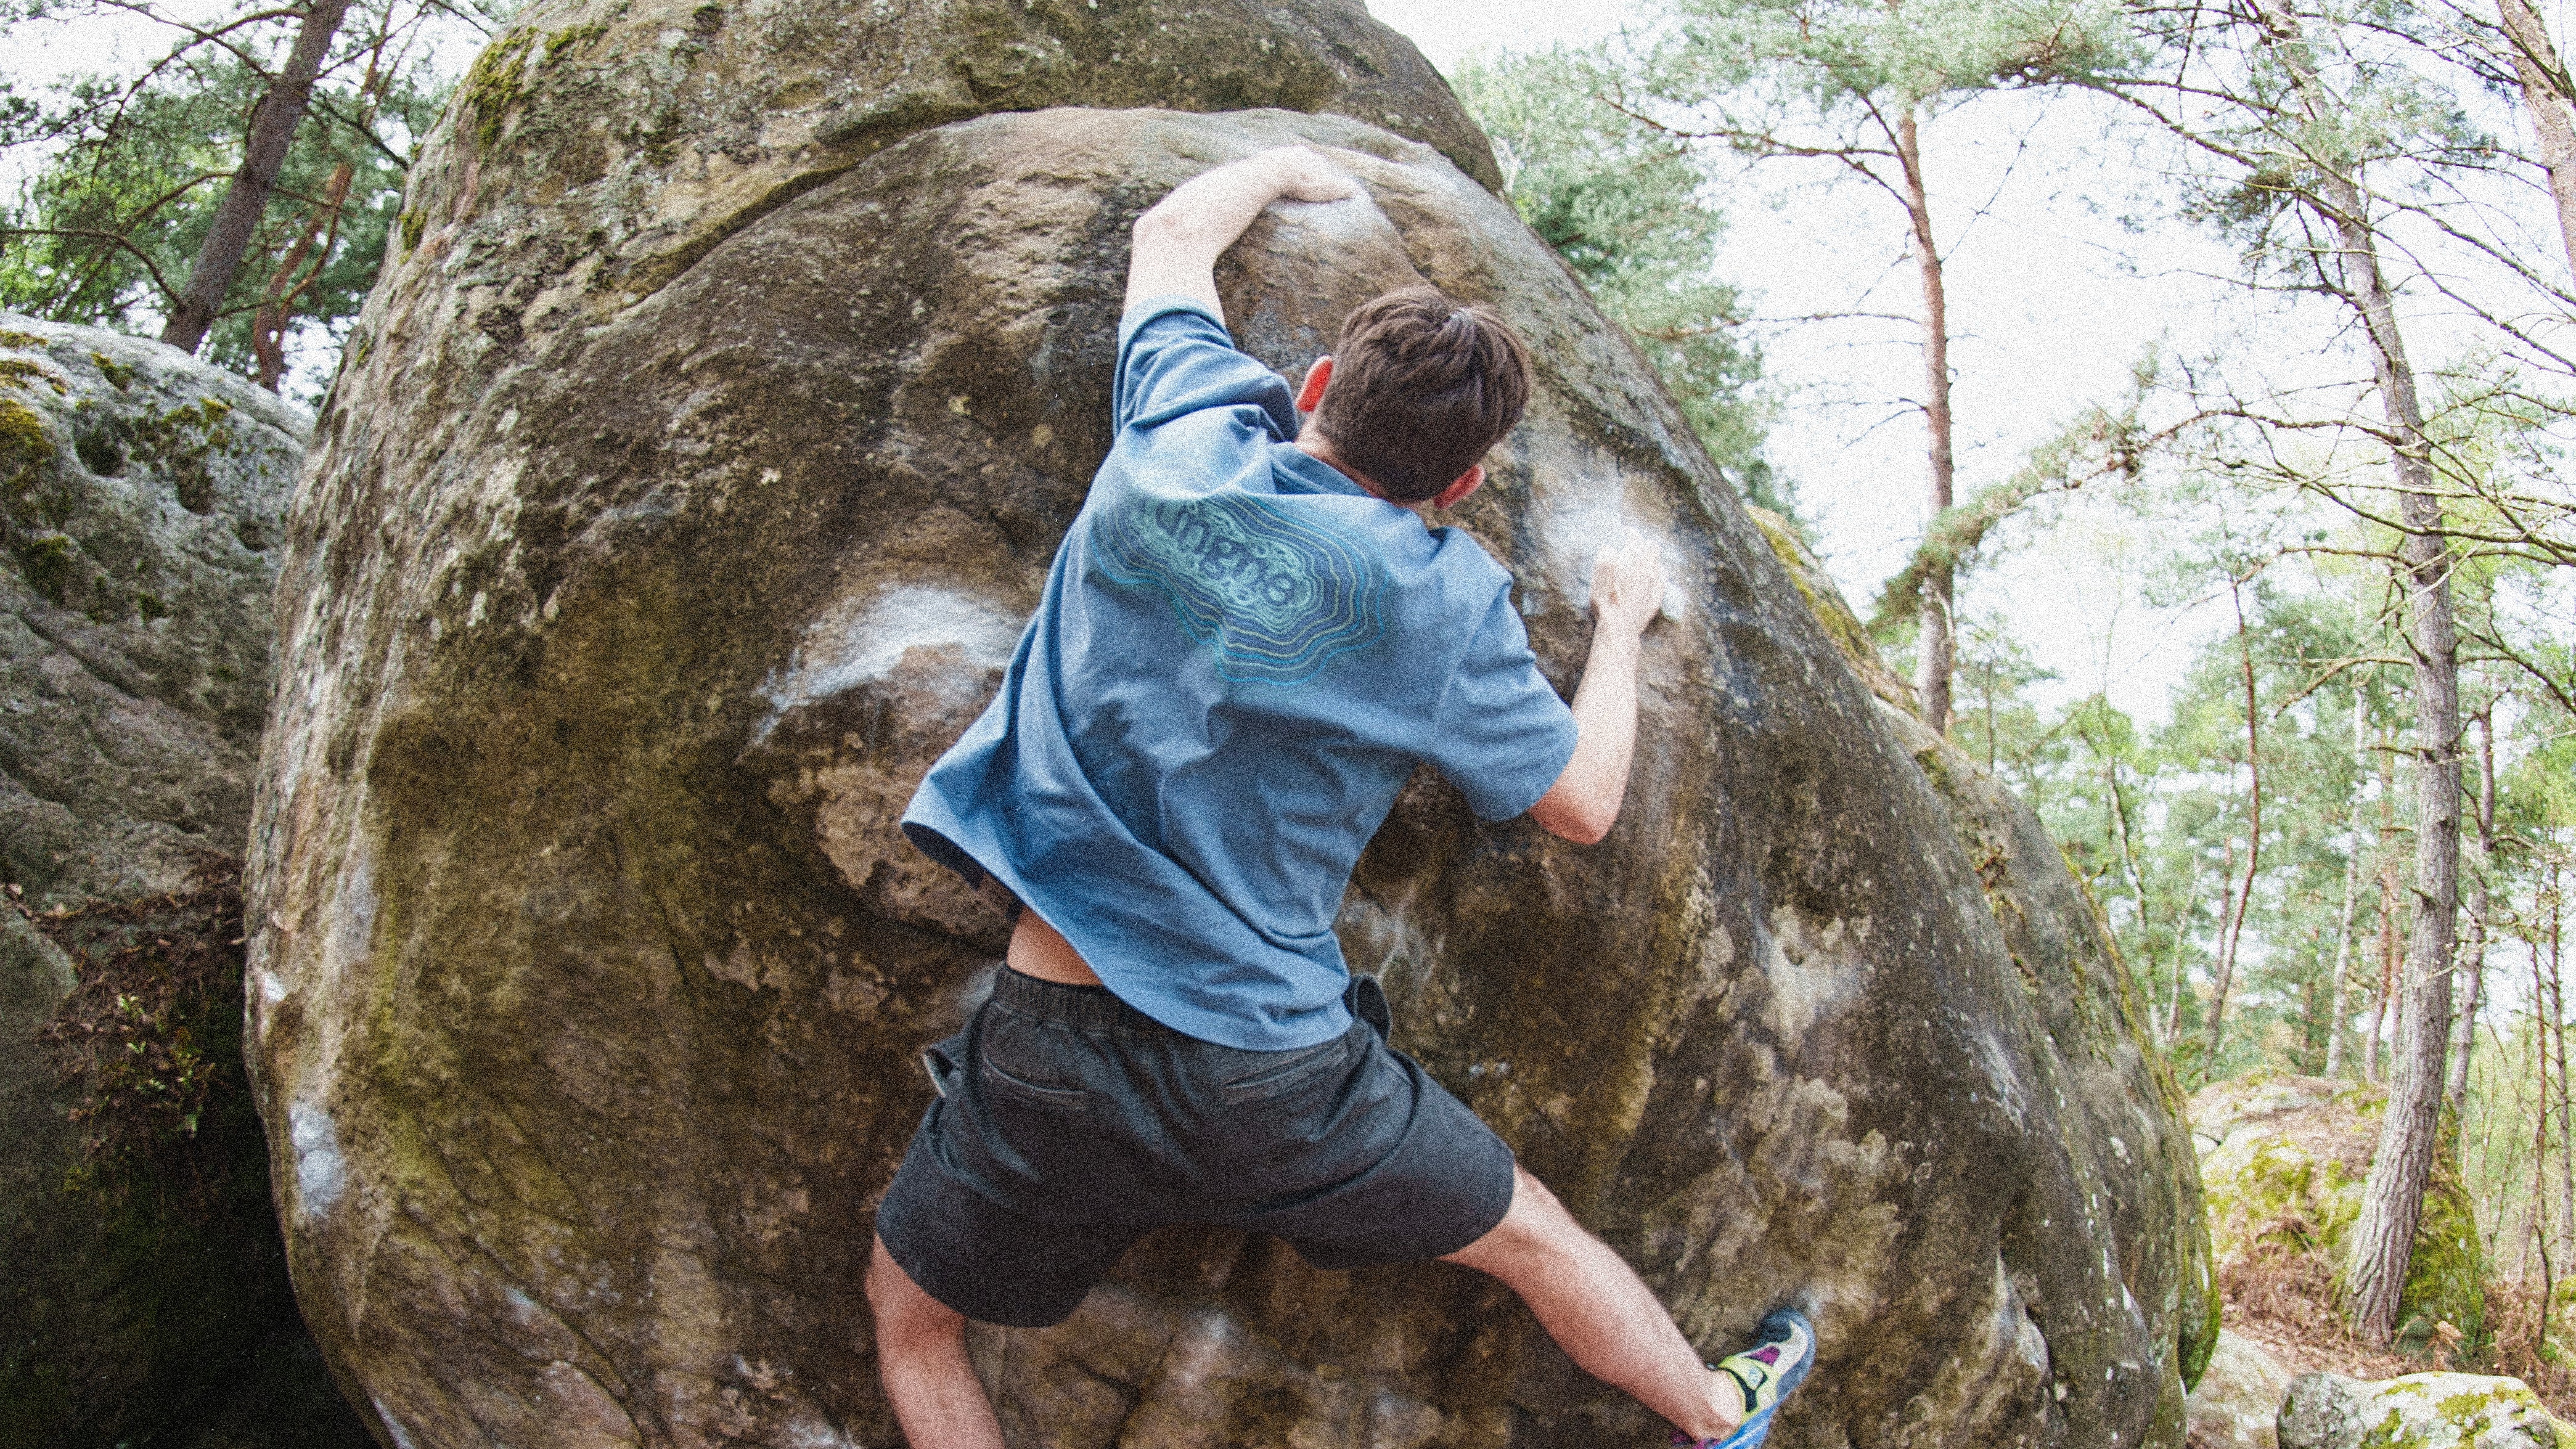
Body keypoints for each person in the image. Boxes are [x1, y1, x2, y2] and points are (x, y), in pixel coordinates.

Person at [867, 144, 1815, 1449]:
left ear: (1310, 388)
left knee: (912, 1324)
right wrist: (1616, 627)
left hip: (1051, 1054)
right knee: (1532, 1235)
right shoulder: (1442, 601)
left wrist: (1285, 163)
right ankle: (1715, 1414)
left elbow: (1168, 233)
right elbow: (1580, 803)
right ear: (1461, 484)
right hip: (1273, 1078)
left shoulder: (1179, 439)